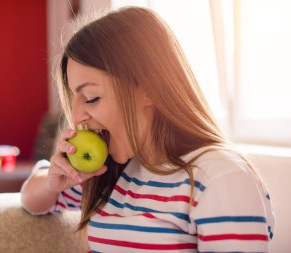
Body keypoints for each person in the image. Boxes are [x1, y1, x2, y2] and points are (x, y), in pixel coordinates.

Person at [21, 7, 274, 252]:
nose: (76, 117)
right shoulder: (111, 173)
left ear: (149, 89)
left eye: (91, 97)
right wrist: (52, 183)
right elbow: (32, 202)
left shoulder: (219, 176)